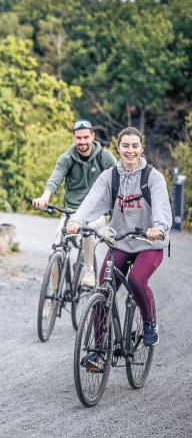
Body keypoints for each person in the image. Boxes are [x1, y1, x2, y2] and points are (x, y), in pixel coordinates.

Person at [66, 127, 171, 350]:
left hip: (149, 243)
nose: (130, 151)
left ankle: (149, 323)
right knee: (102, 291)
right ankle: (98, 350)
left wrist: (159, 228)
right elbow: (91, 201)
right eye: (125, 146)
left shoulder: (153, 177)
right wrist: (76, 220)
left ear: (142, 148)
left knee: (136, 280)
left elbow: (162, 207)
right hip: (121, 241)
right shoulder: (110, 176)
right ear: (118, 147)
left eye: (135, 146)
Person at [32, 119, 117, 286]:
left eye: (86, 137)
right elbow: (54, 179)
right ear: (73, 138)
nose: (83, 142)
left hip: (97, 213)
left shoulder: (104, 157)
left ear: (92, 136)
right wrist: (44, 197)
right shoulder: (67, 158)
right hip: (72, 211)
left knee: (89, 229)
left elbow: (119, 180)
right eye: (79, 138)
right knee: (57, 246)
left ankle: (88, 269)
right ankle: (52, 295)